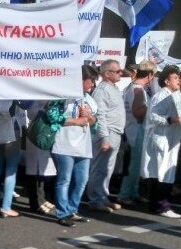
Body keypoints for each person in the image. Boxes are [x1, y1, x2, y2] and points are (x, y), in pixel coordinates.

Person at [49, 65, 99, 227]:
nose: (93, 84)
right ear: (81, 79)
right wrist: (76, 121)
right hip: (64, 143)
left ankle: (72, 210)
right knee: (64, 179)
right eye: (91, 80)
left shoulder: (89, 99)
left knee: (82, 180)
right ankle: (62, 213)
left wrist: (89, 117)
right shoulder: (63, 96)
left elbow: (95, 122)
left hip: (83, 145)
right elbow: (52, 116)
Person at [140, 65, 181, 218]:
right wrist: (171, 120)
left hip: (170, 139)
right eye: (175, 78)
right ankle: (163, 206)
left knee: (160, 173)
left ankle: (155, 205)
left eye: (179, 78)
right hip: (161, 139)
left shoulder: (175, 95)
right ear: (167, 81)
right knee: (162, 173)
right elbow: (153, 116)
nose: (178, 80)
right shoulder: (161, 96)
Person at [87, 59, 126, 213]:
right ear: (107, 73)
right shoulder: (102, 90)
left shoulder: (113, 88)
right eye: (117, 71)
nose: (120, 73)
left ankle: (103, 197)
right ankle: (95, 200)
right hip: (107, 132)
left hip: (115, 132)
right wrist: (104, 138)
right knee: (99, 168)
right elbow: (100, 115)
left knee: (108, 169)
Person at [117, 60, 156, 206]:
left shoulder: (132, 87)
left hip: (131, 129)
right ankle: (125, 194)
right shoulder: (138, 89)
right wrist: (151, 107)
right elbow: (137, 112)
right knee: (133, 165)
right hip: (136, 130)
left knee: (135, 164)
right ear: (150, 75)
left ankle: (133, 192)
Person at [23, 100, 57, 216]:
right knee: (35, 171)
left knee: (43, 171)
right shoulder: (35, 97)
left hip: (45, 132)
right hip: (37, 131)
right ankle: (35, 203)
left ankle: (42, 199)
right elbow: (30, 111)